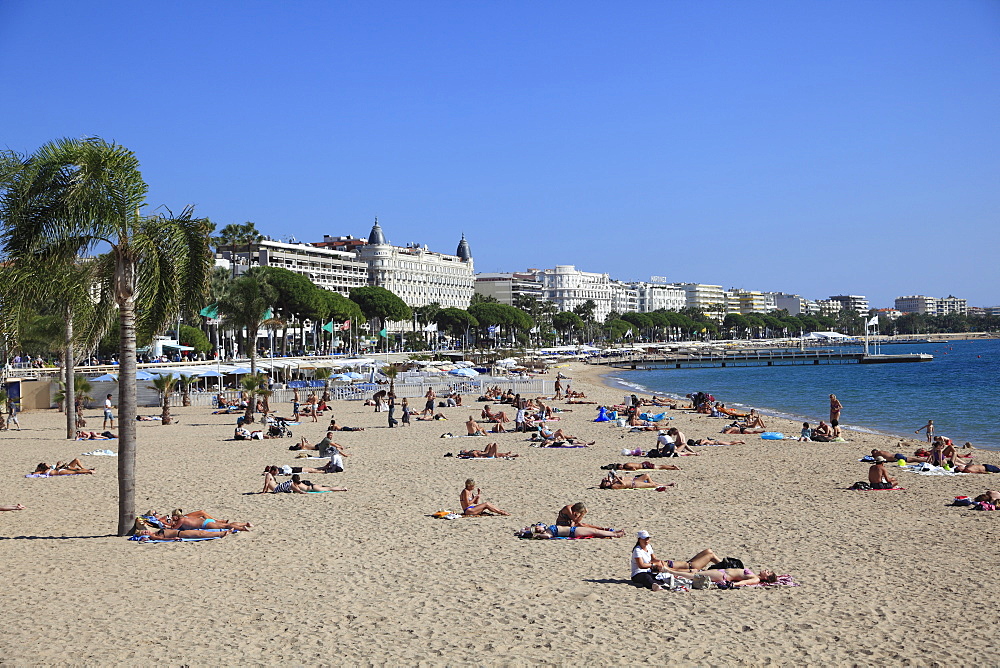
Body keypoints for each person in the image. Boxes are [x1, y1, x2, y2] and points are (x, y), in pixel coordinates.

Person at [658, 565, 778, 587]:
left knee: (695, 574)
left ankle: (670, 571)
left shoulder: (756, 579)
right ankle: (670, 570)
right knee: (695, 572)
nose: (766, 570)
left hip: (723, 575)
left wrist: (735, 584)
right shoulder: (755, 575)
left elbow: (745, 583)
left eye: (768, 572)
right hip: (722, 571)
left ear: (766, 578)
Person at [164, 509, 252, 531]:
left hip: (205, 525)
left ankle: (242, 528)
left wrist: (167, 527)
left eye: (173, 516)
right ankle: (245, 523)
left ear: (176, 516)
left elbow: (174, 529)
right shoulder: (185, 517)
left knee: (226, 526)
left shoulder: (181, 520)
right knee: (225, 525)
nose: (172, 518)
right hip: (206, 521)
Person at [519, 524, 624, 539]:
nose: (538, 527)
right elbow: (548, 537)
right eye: (536, 529)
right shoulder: (547, 533)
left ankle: (614, 533)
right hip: (573, 532)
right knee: (595, 532)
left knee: (594, 530)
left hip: (573, 529)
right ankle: (615, 534)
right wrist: (537, 535)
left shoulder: (546, 528)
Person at [599, 471, 676, 490]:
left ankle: (667, 484)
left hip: (634, 481)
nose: (607, 481)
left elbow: (610, 481)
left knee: (647, 476)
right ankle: (668, 486)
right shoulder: (613, 486)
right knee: (652, 485)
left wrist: (609, 476)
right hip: (634, 485)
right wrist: (617, 477)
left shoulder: (612, 483)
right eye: (606, 482)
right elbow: (623, 485)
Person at [135, 528, 237, 541]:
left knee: (202, 532)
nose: (146, 532)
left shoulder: (155, 531)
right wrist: (173, 538)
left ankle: (222, 533)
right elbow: (163, 539)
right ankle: (222, 533)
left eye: (145, 531)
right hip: (181, 534)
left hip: (181, 532)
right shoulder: (153, 536)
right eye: (144, 533)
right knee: (201, 534)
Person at [602, 461, 682, 471]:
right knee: (659, 466)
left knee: (659, 467)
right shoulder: (626, 464)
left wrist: (626, 470)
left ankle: (672, 468)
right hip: (643, 464)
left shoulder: (626, 466)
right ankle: (671, 466)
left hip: (644, 466)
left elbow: (633, 469)